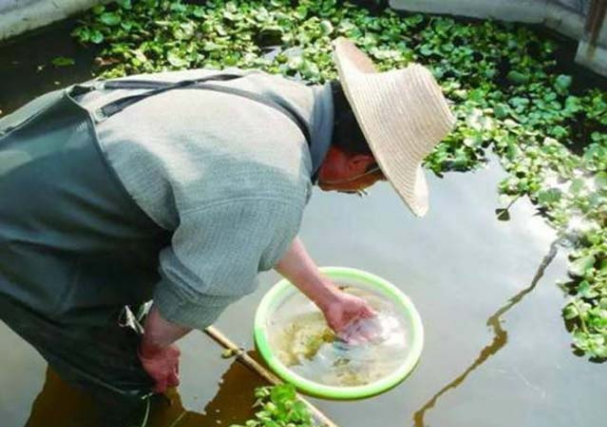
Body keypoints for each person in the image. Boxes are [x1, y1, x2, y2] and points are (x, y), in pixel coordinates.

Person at [0, 37, 455, 425]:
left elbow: (249, 221)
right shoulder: (272, 183)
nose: (362, 188)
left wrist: (328, 298)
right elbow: (200, 287)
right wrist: (155, 350)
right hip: (21, 240)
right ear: (359, 163)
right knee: (134, 389)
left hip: (25, 153)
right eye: (375, 179)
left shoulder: (272, 95)